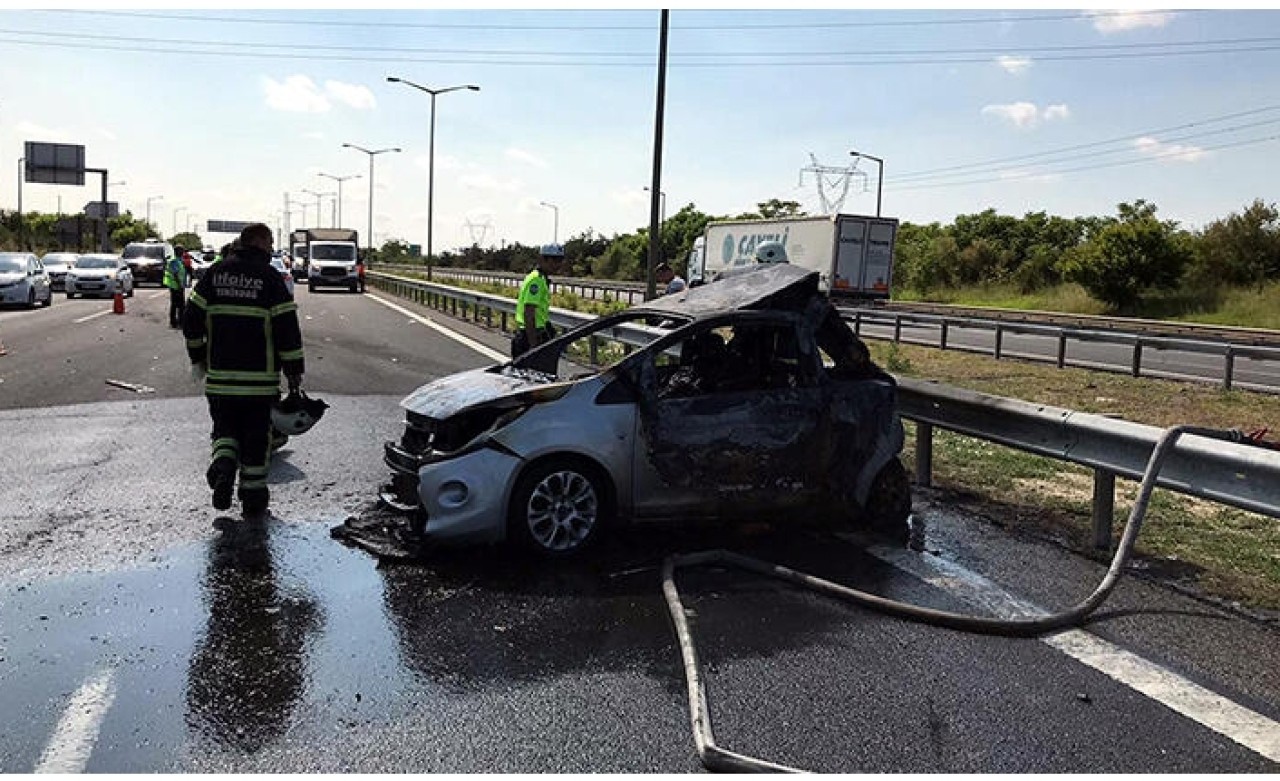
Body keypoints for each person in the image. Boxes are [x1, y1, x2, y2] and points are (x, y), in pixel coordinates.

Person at [183, 223, 304, 517]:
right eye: (271, 241)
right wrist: (294, 372)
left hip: (221, 380)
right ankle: (252, 499)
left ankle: (223, 465)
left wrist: (198, 356)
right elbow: (287, 330)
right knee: (255, 439)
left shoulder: (215, 273)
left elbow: (191, 321)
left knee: (224, 430)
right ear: (260, 242)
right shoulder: (270, 279)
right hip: (259, 384)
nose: (272, 246)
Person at [511, 245, 558, 357]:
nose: (558, 265)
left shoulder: (540, 278)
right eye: (554, 260)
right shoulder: (536, 280)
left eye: (560, 260)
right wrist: (533, 345)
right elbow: (529, 312)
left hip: (536, 332)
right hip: (531, 335)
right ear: (543, 260)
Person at [164, 245, 190, 328]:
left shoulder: (179, 260)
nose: (183, 253)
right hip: (175, 286)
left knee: (177, 305)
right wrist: (179, 285)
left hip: (177, 285)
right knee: (178, 305)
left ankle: (177, 321)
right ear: (178, 252)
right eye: (182, 251)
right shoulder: (174, 261)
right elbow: (175, 274)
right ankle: (176, 322)